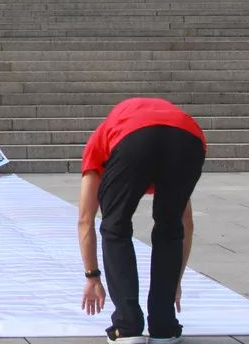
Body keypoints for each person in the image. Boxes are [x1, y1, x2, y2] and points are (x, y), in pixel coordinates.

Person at [77, 97, 207, 344]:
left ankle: (127, 327)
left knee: (115, 227)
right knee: (170, 228)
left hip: (134, 139)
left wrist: (92, 276)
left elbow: (86, 219)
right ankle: (164, 327)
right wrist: (173, 283)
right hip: (188, 136)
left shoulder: (100, 144)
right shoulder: (108, 138)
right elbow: (185, 223)